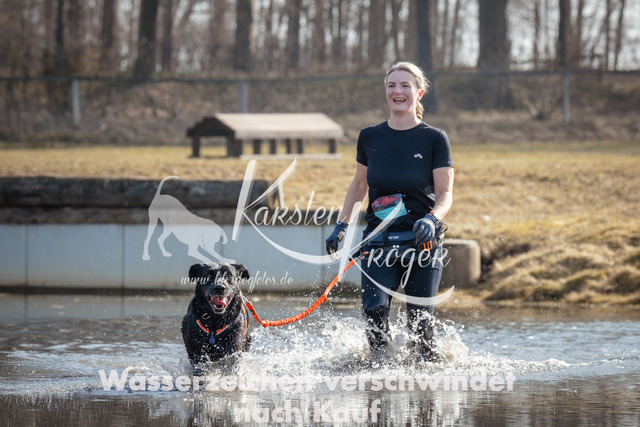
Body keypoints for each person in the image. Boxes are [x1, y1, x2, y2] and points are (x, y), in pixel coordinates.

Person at [325, 61, 454, 361]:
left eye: (405, 85)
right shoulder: (370, 137)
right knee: (374, 311)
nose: (398, 91)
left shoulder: (435, 139)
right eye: (392, 85)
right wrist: (341, 225)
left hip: (422, 241)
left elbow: (445, 194)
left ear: (419, 93)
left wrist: (432, 219)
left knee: (420, 324)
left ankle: (425, 378)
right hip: (379, 241)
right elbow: (360, 185)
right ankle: (379, 376)